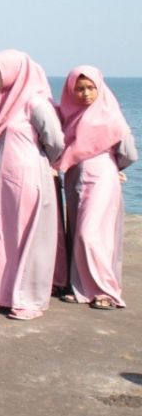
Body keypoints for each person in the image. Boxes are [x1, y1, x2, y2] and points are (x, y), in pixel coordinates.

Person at [0, 50, 64, 320]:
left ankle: (27, 298)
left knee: (22, 235)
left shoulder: (35, 103)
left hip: (25, 176)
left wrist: (42, 164)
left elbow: (55, 141)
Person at [55, 66, 137, 310]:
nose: (85, 94)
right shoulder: (70, 116)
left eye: (91, 88)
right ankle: (80, 287)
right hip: (74, 175)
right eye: (79, 89)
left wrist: (114, 169)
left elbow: (129, 153)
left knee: (91, 233)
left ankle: (104, 290)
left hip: (101, 176)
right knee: (77, 230)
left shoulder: (111, 116)